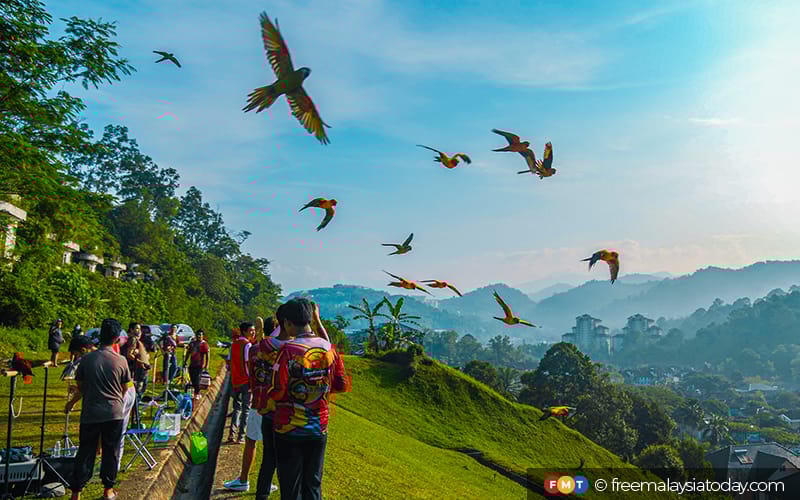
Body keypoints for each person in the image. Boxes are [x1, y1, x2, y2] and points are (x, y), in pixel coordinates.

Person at [267, 299, 350, 500]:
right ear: (310, 320)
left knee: (290, 486)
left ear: (287, 323)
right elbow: (341, 385)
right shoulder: (329, 349)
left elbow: (278, 390)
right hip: (319, 426)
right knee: (313, 483)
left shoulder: (288, 351)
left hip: (289, 428)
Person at [65, 318, 133, 500]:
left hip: (91, 414)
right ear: (117, 339)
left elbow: (81, 386)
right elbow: (125, 388)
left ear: (100, 337)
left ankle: (76, 492)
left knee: (85, 452)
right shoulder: (121, 361)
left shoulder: (86, 360)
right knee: (110, 452)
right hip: (113, 413)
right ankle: (108, 490)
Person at [223, 315, 283, 495]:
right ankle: (266, 482)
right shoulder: (281, 350)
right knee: (270, 446)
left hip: (258, 401)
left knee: (252, 442)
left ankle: (244, 480)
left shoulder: (256, 348)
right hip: (273, 404)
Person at [228, 322, 254, 443]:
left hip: (235, 381)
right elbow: (248, 363)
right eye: (251, 331)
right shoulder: (247, 345)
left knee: (236, 408)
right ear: (244, 332)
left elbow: (229, 361)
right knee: (246, 409)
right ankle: (241, 436)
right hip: (245, 381)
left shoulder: (233, 345)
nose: (253, 333)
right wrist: (251, 379)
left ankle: (231, 434)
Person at [123, 323, 150, 395]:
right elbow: (129, 354)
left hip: (138, 367)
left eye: (140, 329)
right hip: (134, 368)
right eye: (137, 328)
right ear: (131, 330)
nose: (139, 331)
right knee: (138, 388)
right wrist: (140, 362)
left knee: (140, 387)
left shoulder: (137, 340)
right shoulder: (133, 339)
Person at [183, 329, 209, 400]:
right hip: (192, 364)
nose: (199, 336)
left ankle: (197, 393)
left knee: (197, 379)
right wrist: (185, 361)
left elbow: (207, 355)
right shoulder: (192, 343)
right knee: (192, 379)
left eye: (201, 335)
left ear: (203, 336)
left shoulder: (204, 344)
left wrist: (207, 364)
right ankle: (196, 392)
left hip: (199, 364)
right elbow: (188, 352)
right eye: (198, 334)